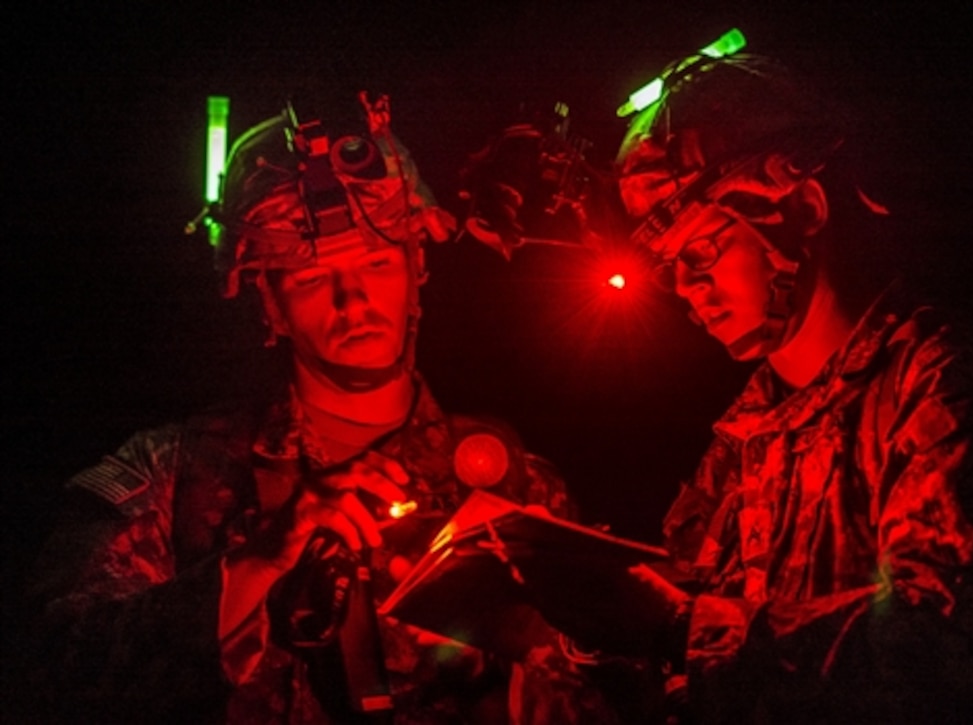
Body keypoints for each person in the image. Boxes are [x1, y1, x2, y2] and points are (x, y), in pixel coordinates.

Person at [11, 92, 613, 723]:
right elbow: (49, 668)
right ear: (268, 302)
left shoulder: (515, 485)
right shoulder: (174, 473)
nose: (353, 300)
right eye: (310, 277)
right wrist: (261, 558)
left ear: (417, 270)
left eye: (377, 263)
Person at [524, 41, 973, 722]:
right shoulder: (744, 440)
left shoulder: (945, 383)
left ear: (804, 210)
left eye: (704, 249)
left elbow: (959, 638)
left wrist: (682, 630)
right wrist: (596, 618)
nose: (689, 288)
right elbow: (682, 631)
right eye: (670, 266)